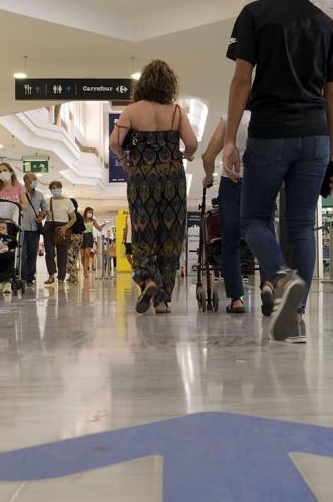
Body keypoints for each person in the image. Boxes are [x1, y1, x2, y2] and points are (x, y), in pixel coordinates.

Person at [223, 0, 333, 343]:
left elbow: (242, 80)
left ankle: (281, 274)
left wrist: (228, 140)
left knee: (253, 218)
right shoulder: (327, 26)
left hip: (271, 131)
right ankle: (298, 314)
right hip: (316, 137)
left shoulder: (255, 14)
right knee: (302, 226)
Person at [111, 60, 198, 314]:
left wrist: (125, 160)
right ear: (169, 84)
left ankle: (149, 279)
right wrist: (186, 154)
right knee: (170, 236)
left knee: (143, 231)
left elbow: (114, 142)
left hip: (142, 178)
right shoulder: (176, 112)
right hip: (172, 176)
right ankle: (162, 300)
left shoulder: (131, 111)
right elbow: (192, 143)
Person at [201, 110, 252, 313]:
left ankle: (237, 300)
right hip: (258, 182)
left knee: (229, 241)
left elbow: (207, 156)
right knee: (263, 232)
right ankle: (268, 287)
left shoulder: (227, 120)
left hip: (231, 182)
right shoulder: (266, 115)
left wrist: (209, 176)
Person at [42, 180, 75, 285]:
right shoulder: (48, 200)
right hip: (49, 226)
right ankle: (51, 275)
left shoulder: (67, 201)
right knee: (49, 253)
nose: (55, 189)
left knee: (62, 253)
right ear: (51, 190)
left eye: (57, 187)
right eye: (53, 188)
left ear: (60, 188)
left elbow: (73, 218)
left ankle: (61, 278)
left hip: (62, 227)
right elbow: (44, 213)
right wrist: (40, 216)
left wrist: (66, 227)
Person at [19, 171, 48, 285]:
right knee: (22, 254)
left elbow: (45, 209)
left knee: (32, 254)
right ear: (26, 181)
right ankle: (23, 276)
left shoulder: (40, 195)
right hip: (22, 228)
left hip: (35, 229)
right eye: (32, 179)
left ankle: (31, 276)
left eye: (35, 179)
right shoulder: (19, 194)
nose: (35, 181)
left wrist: (42, 216)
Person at [80, 208, 107, 279]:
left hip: (89, 236)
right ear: (86, 212)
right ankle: (85, 268)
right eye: (89, 212)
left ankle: (85, 272)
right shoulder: (81, 219)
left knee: (87, 254)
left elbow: (99, 228)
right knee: (82, 256)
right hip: (82, 237)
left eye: (91, 213)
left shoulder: (93, 220)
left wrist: (102, 226)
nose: (90, 214)